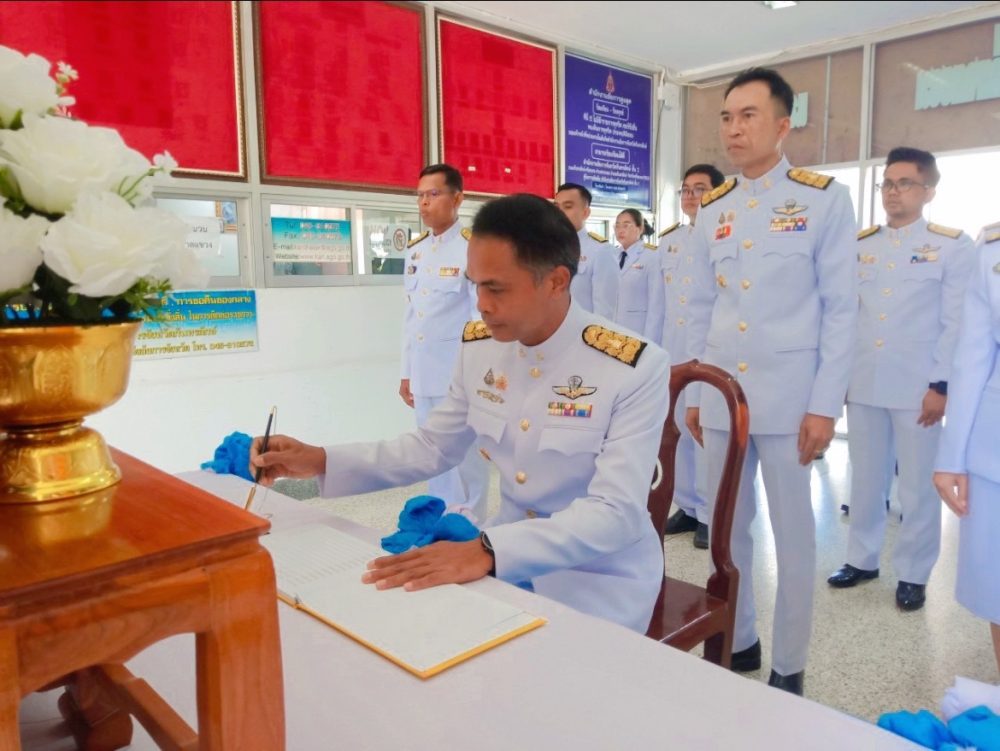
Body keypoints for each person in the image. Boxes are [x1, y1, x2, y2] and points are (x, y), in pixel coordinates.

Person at [251, 194, 671, 634]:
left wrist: (489, 550)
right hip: (499, 555)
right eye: (475, 285)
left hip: (598, 578)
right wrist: (320, 460)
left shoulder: (632, 366)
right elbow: (432, 446)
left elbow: (615, 511)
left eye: (497, 288)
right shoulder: (481, 348)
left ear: (556, 281)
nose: (482, 304)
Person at [684, 68, 857, 695]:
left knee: (793, 537)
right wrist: (698, 392)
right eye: (727, 117)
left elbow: (841, 309)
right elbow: (701, 306)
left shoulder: (824, 199)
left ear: (783, 125)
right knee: (726, 530)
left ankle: (789, 664)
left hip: (791, 402)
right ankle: (741, 640)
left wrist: (824, 406)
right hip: (723, 397)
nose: (734, 129)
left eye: (749, 115)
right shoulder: (714, 208)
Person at [829, 147, 975, 611]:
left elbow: (957, 323)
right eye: (888, 184)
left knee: (916, 485)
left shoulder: (953, 246)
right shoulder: (861, 244)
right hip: (864, 381)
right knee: (865, 478)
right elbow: (846, 316)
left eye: (905, 183)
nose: (893, 192)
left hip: (919, 388)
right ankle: (861, 559)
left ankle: (913, 572)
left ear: (929, 191)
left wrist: (941, 386)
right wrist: (840, 378)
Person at [399, 164, 489, 521]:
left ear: (457, 198)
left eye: (433, 194)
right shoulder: (416, 251)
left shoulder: (473, 248)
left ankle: (469, 523)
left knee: (465, 457)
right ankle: (440, 518)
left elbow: (480, 319)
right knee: (431, 452)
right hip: (424, 373)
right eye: (420, 196)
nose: (424, 203)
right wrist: (407, 372)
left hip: (457, 373)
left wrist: (477, 375)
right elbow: (412, 318)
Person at [934, 220, 1000, 675]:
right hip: (995, 453)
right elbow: (973, 358)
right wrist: (951, 457)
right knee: (998, 588)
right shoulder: (992, 250)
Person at [658, 163, 725, 550]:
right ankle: (686, 505)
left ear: (717, 193)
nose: (690, 196)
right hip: (673, 349)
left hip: (710, 352)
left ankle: (709, 512)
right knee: (677, 430)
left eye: (699, 189)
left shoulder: (724, 236)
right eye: (685, 189)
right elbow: (660, 303)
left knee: (705, 432)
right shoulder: (670, 241)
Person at [554, 182, 619, 318]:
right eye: (556, 207)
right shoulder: (548, 247)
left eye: (568, 207)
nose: (559, 213)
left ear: (585, 213)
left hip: (581, 329)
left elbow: (604, 312)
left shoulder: (601, 251)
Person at [613, 208, 664, 343]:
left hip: (638, 333)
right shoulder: (612, 255)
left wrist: (649, 342)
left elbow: (656, 304)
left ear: (640, 228)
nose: (620, 230)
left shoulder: (652, 256)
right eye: (617, 225)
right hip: (612, 333)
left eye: (626, 225)